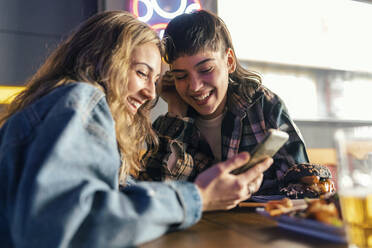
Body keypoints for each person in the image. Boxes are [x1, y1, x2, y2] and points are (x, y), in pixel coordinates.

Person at [0, 11, 273, 247]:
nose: (151, 94)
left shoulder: (65, 105)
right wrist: (199, 197)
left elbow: (122, 195)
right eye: (142, 73)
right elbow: (63, 227)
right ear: (101, 59)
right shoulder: (80, 99)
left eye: (156, 80)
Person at [140, 10, 314, 196]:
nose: (195, 87)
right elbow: (158, 194)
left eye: (206, 69)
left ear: (229, 61)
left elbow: (304, 183)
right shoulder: (168, 125)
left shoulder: (264, 107)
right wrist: (176, 110)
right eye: (181, 76)